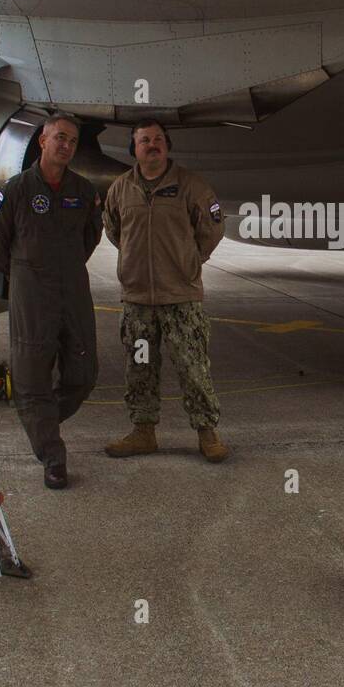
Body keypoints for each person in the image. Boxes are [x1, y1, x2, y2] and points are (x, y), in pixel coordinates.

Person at [0, 112, 103, 490]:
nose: (65, 145)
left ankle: (42, 418)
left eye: (71, 140)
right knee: (31, 377)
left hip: (73, 289)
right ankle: (53, 456)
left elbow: (91, 237)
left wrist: (64, 268)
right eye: (59, 138)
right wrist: (24, 272)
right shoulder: (13, 191)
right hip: (30, 292)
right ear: (43, 141)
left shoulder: (84, 192)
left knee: (84, 373)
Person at [101, 119, 229, 463]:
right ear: (135, 149)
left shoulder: (192, 186)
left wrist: (190, 260)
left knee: (193, 367)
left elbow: (212, 229)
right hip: (138, 301)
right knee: (140, 367)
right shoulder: (120, 188)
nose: (152, 145)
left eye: (158, 139)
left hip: (181, 299)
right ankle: (143, 432)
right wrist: (134, 262)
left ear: (167, 146)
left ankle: (207, 433)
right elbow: (114, 229)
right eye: (144, 140)